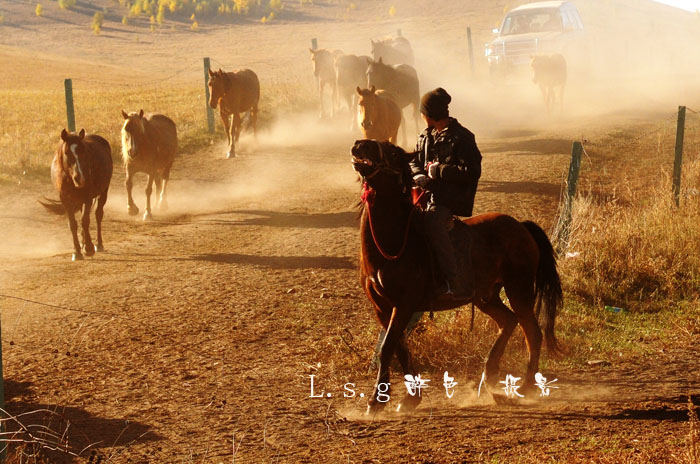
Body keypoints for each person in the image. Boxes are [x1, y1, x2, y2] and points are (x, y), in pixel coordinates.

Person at [410, 88, 482, 300]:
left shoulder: (463, 138)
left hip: (450, 199)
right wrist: (418, 175)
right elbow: (414, 160)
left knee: (432, 223)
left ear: (429, 115)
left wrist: (440, 170)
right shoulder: (425, 136)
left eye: (423, 113)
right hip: (426, 194)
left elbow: (472, 172)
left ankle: (454, 281)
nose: (421, 116)